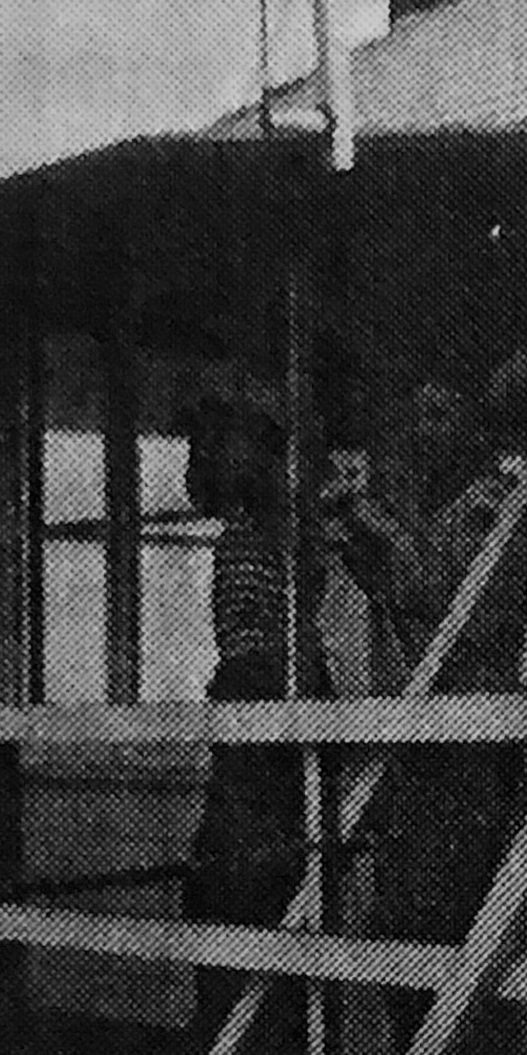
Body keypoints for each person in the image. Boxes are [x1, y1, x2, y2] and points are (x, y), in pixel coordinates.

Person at [180, 397, 305, 933]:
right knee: (242, 855)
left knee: (250, 853)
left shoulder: (269, 534)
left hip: (260, 682)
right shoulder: (248, 533)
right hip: (253, 681)